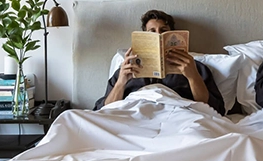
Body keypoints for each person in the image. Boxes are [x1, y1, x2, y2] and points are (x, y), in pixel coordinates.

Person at [93, 10, 225, 114]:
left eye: (163, 31)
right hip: (134, 115)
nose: (158, 35)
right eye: (152, 32)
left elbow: (215, 110)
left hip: (179, 115)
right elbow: (103, 110)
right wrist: (121, 82)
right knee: (72, 118)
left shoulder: (195, 67)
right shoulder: (126, 69)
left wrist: (192, 76)